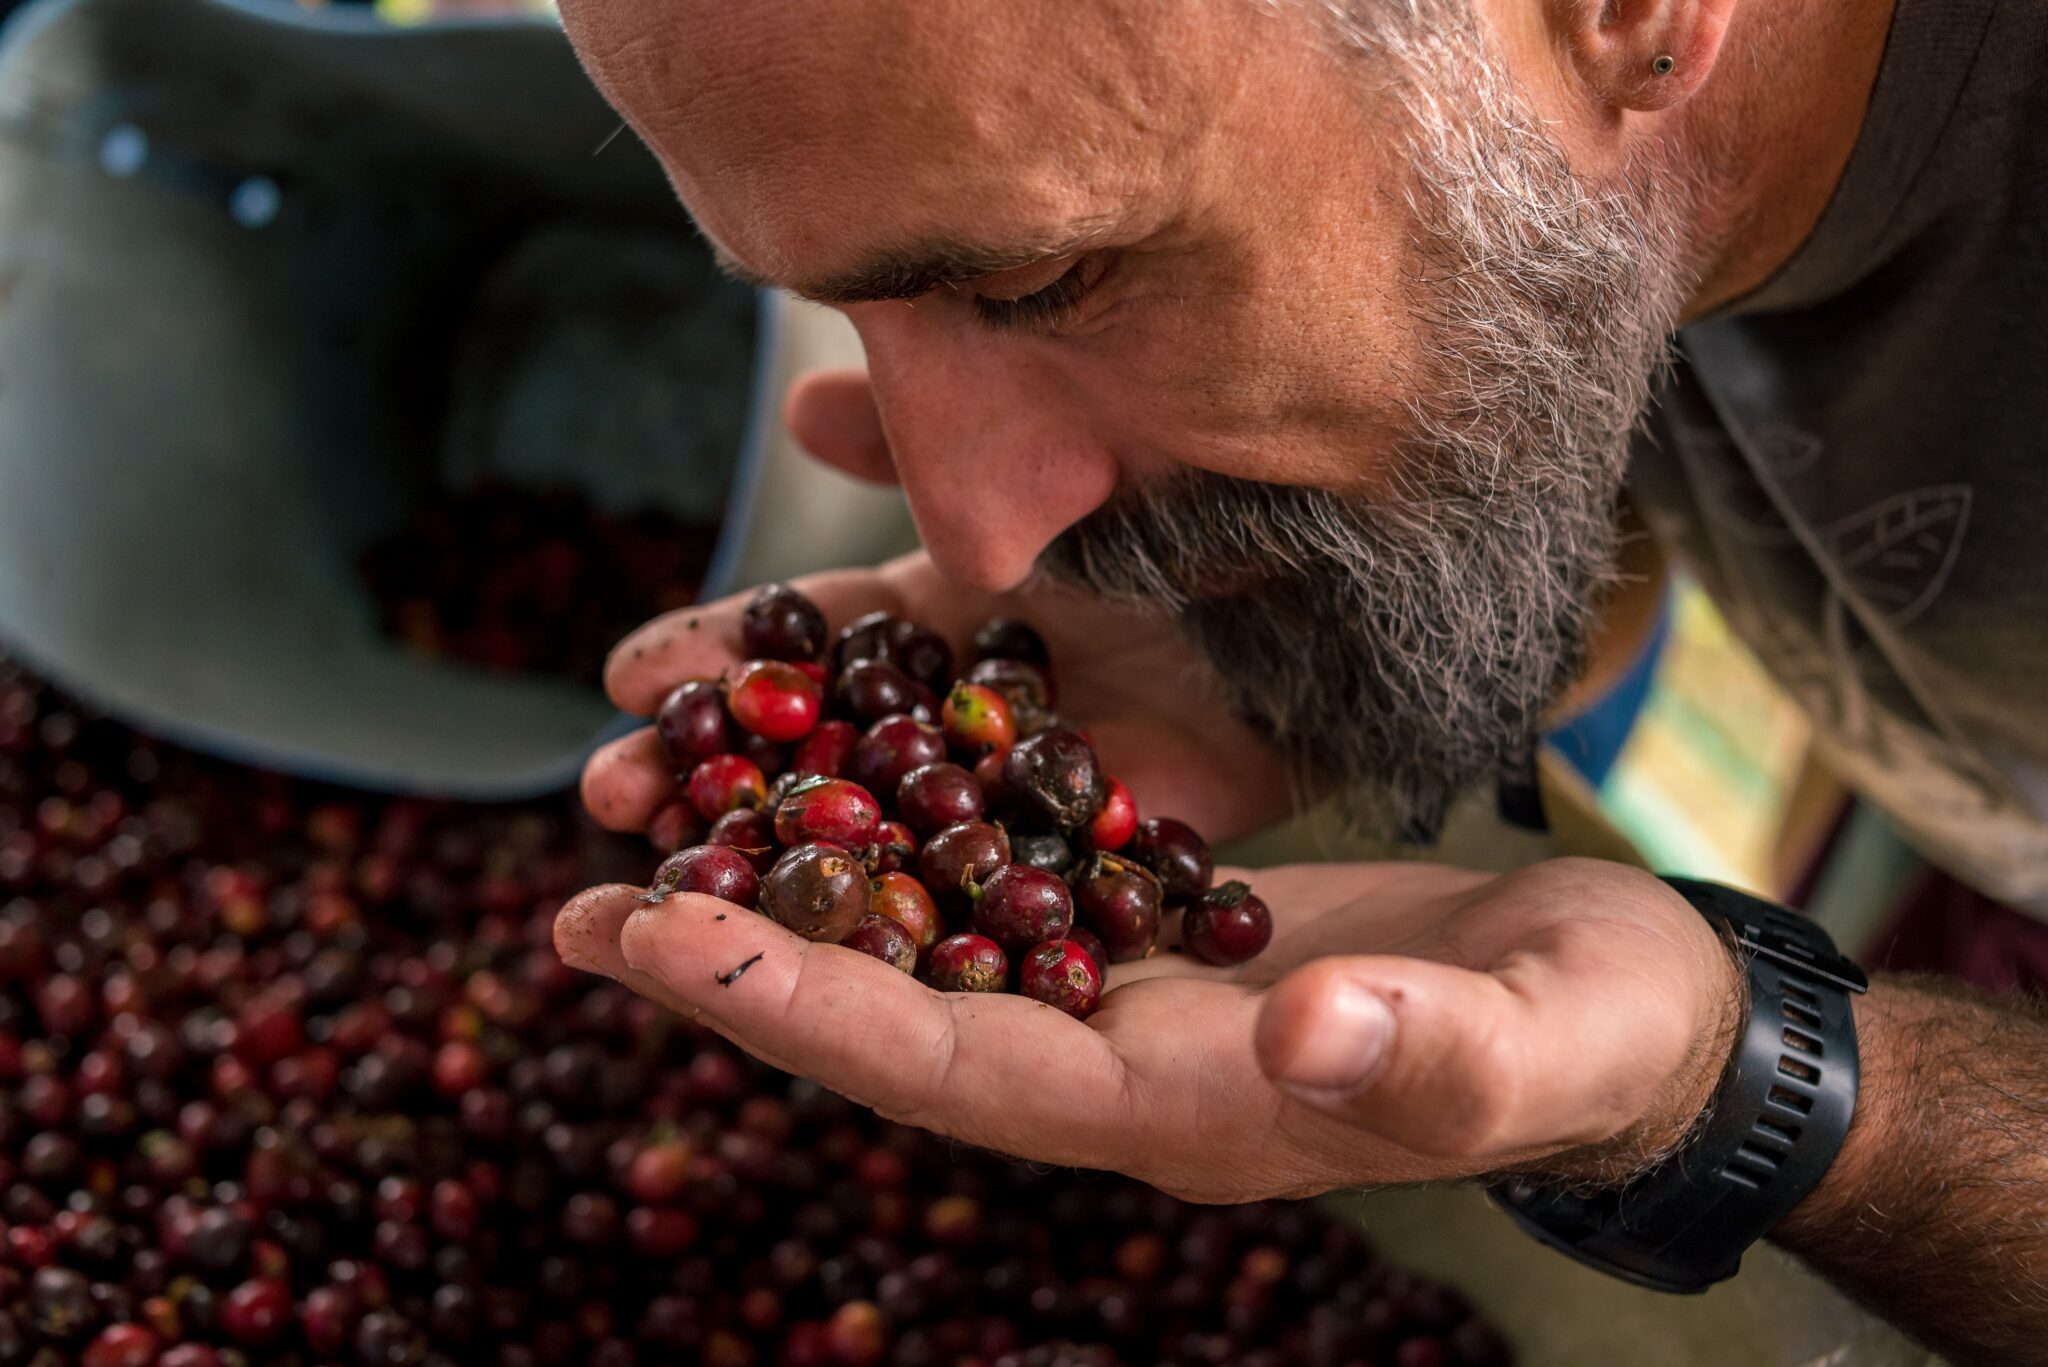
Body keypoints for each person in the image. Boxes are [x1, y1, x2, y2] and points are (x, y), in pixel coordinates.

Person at [547, 1, 2048, 1361]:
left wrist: (1787, 1101)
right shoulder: (1609, 139)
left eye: (1045, 279)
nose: (978, 537)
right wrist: (1362, 603)